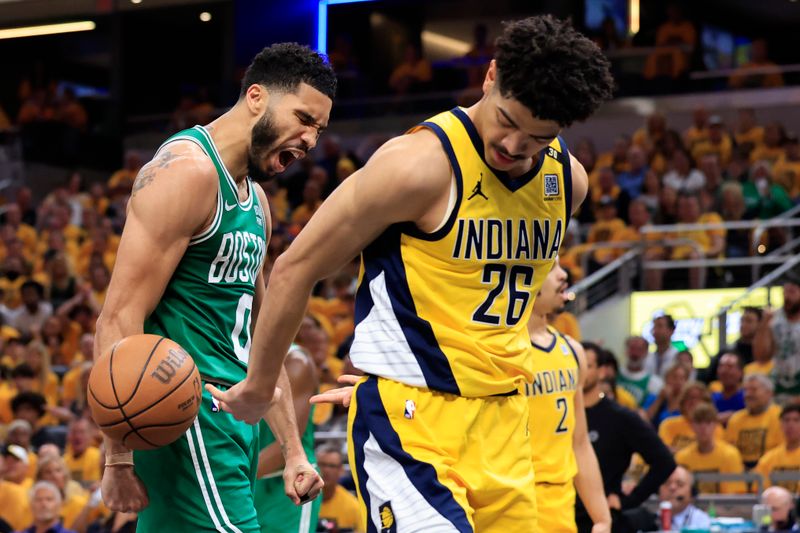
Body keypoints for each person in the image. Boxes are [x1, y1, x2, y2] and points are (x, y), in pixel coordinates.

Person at [211, 15, 614, 533]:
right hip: (413, 426)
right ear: (489, 77)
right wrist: (261, 385)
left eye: (537, 138)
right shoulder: (418, 165)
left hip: (509, 424)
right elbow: (294, 268)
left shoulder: (568, 183)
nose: (515, 146)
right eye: (507, 121)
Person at [93, 43, 333, 529]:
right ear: (257, 97)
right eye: (304, 118)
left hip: (234, 425)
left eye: (319, 130)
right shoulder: (187, 172)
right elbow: (119, 317)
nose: (310, 140)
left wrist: (292, 451)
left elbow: (264, 338)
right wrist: (116, 458)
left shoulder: (258, 202)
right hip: (187, 414)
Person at [525, 260, 610, 532]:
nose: (563, 275)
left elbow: (580, 443)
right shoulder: (503, 351)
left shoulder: (572, 350)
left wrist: (602, 518)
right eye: (551, 267)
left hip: (561, 506)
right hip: (515, 499)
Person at [577, 341, 675, 533]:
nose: (579, 372)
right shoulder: (562, 414)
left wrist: (628, 500)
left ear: (602, 371)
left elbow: (664, 461)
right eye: (574, 365)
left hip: (604, 520)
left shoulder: (620, 417)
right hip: (561, 517)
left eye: (587, 366)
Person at [254, 344, 321, 533]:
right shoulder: (234, 353)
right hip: (250, 481)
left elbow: (287, 443)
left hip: (291, 483)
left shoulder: (297, 362)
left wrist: (231, 474)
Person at [675, 403, 746, 494]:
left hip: (724, 507)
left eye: (708, 422)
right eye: (699, 422)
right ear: (692, 425)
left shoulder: (730, 454)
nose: (703, 428)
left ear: (715, 425)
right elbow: (679, 494)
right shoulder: (682, 457)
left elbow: (737, 494)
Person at [754, 275, 800, 404]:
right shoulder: (774, 319)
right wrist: (764, 324)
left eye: (792, 292)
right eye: (784, 292)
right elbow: (761, 356)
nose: (787, 297)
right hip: (780, 382)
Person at [725, 374, 783, 469]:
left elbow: (782, 451)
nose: (748, 394)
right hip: (741, 474)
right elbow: (729, 451)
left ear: (769, 393)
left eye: (754, 390)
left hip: (771, 472)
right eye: (745, 390)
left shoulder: (780, 416)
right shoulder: (735, 419)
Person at [316, 443, 365, 533]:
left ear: (341, 470)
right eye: (322, 464)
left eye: (332, 466)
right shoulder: (300, 501)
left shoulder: (353, 506)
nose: (326, 470)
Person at [755, 404, 800, 493]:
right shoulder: (768, 459)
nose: (790, 425)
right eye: (786, 420)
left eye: (796, 420)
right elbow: (760, 491)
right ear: (780, 425)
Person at [657, 467, 711, 531]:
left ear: (692, 492)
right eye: (667, 483)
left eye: (680, 484)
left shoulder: (702, 521)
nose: (672, 488)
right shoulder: (648, 521)